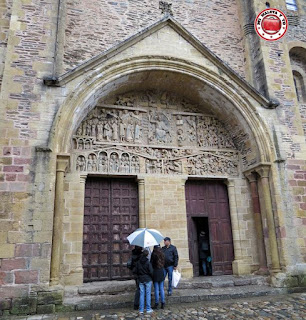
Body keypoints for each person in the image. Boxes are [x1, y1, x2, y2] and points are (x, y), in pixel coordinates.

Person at [135, 250, 154, 314]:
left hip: (141, 279)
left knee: (142, 294)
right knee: (148, 294)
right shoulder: (148, 262)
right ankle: (148, 308)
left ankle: (141, 309)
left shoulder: (138, 262)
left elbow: (136, 271)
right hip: (147, 279)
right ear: (147, 255)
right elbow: (151, 271)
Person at [128, 245, 143, 310]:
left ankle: (137, 304)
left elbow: (130, 265)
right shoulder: (141, 256)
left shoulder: (133, 255)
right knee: (140, 289)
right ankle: (137, 304)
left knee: (138, 288)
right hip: (140, 274)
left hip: (135, 274)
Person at [151, 245, 165, 309]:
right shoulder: (162, 254)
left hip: (156, 272)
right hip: (161, 271)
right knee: (161, 288)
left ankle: (156, 303)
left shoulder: (153, 254)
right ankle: (163, 302)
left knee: (156, 289)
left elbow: (151, 264)